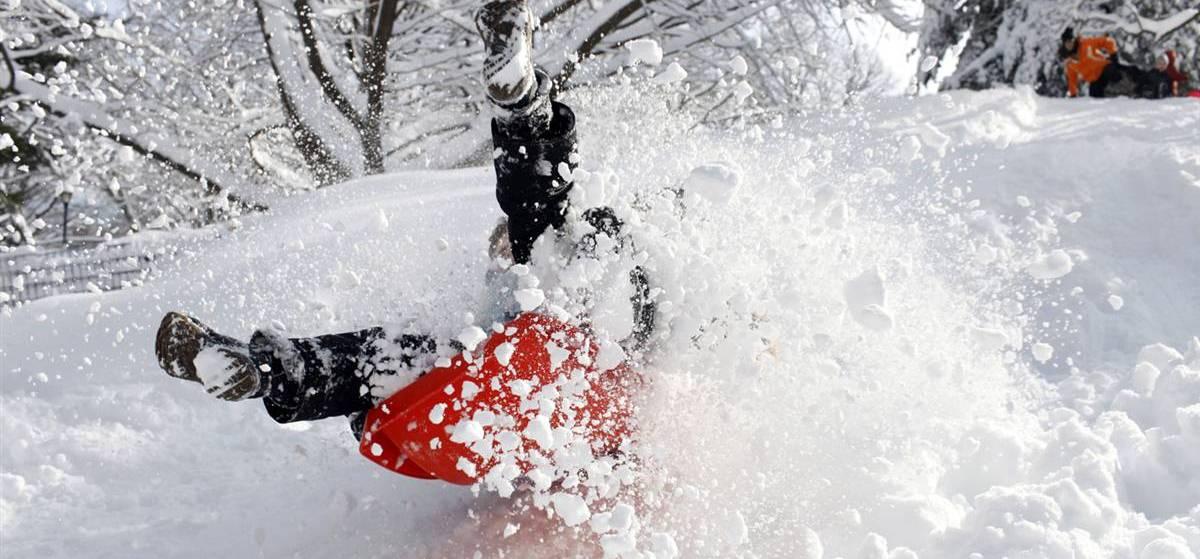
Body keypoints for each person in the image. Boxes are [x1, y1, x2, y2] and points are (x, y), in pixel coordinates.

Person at [154, 0, 654, 438]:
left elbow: (633, 292)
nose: (499, 253)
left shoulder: (582, 270)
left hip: (573, 368)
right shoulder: (502, 309)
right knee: (392, 354)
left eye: (501, 247)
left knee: (538, 230)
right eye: (497, 249)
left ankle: (521, 107)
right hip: (523, 381)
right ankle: (260, 369)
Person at [1060, 27, 1122, 98]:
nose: (1069, 44)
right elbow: (1072, 79)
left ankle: (1127, 93)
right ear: (1064, 44)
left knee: (1115, 77)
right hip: (1094, 80)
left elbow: (1108, 41)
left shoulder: (1086, 44)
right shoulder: (1069, 62)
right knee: (1094, 97)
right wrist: (1073, 94)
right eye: (1066, 42)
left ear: (1074, 40)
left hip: (1105, 69)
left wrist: (1114, 56)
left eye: (1071, 41)